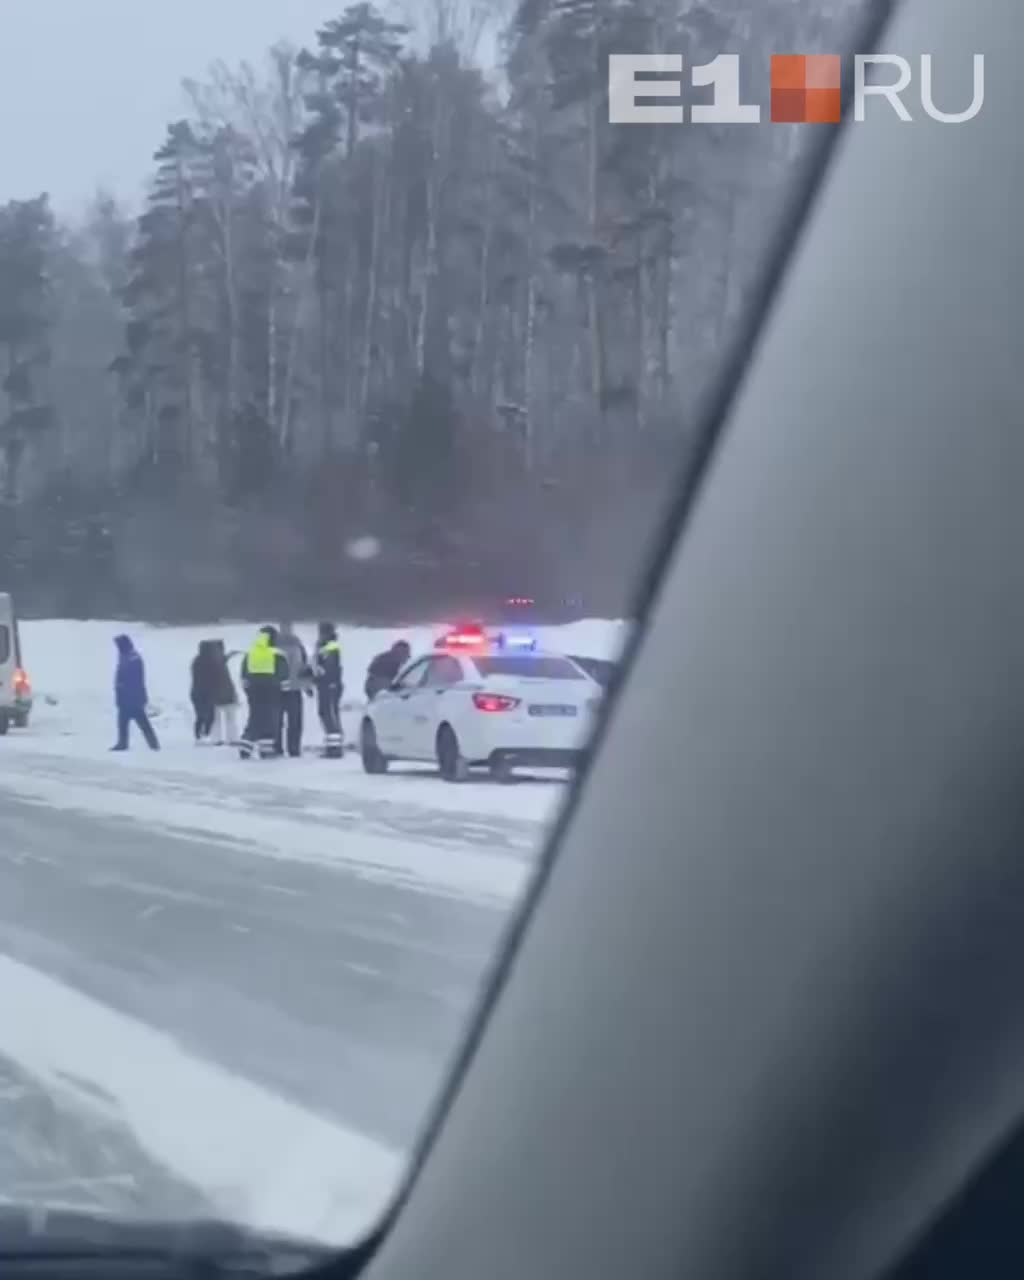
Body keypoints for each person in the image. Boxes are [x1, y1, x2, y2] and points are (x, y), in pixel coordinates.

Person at [239, 626, 287, 760]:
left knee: (255, 717)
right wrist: (284, 691)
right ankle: (266, 750)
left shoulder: (251, 653)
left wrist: (247, 689)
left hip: (253, 690)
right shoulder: (277, 654)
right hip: (272, 690)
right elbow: (284, 675)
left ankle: (245, 745)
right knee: (270, 719)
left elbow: (243, 673)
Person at [111, 634, 160, 752]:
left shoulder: (133, 658)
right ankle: (123, 742)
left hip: (133, 697)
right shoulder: (126, 656)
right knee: (124, 722)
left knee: (141, 722)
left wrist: (123, 688)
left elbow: (134, 679)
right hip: (126, 697)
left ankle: (153, 744)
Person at [275, 621, 313, 758]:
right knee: (281, 721)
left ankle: (292, 748)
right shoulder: (278, 644)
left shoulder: (296, 645)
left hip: (290, 687)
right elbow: (303, 667)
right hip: (281, 688)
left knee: (292, 721)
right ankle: (281, 747)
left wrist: (307, 685)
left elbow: (303, 668)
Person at [313, 621, 344, 759]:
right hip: (326, 685)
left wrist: (322, 678)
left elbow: (329, 668)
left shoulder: (330, 647)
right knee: (327, 714)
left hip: (329, 685)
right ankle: (332, 746)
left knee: (329, 715)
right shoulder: (324, 646)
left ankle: (335, 748)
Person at [211, 640, 240, 746]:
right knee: (230, 718)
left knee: (216, 719)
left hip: (215, 695)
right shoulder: (219, 663)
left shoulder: (211, 662)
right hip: (226, 694)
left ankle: (216, 739)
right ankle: (232, 739)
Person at [190, 640, 219, 743]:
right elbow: (214, 677)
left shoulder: (196, 661)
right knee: (210, 716)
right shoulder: (212, 661)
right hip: (207, 693)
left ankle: (199, 736)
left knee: (200, 715)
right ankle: (205, 734)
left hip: (196, 692)